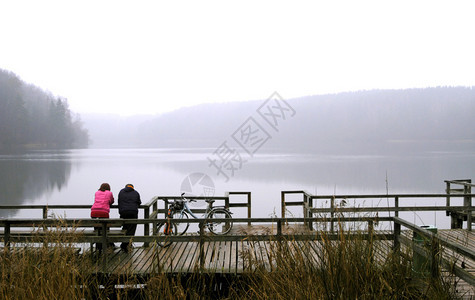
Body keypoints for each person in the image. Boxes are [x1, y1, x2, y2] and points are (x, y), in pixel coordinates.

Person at [90, 183, 115, 251]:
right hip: (104, 212)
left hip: (94, 212)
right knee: (105, 229)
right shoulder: (109, 193)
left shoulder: (97, 192)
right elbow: (112, 201)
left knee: (97, 229)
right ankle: (106, 245)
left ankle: (98, 246)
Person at [118, 183, 141, 252]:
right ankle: (127, 245)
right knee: (132, 228)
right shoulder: (136, 193)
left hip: (123, 212)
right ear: (132, 188)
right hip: (133, 212)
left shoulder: (121, 192)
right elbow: (139, 202)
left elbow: (119, 201)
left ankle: (124, 244)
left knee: (125, 227)